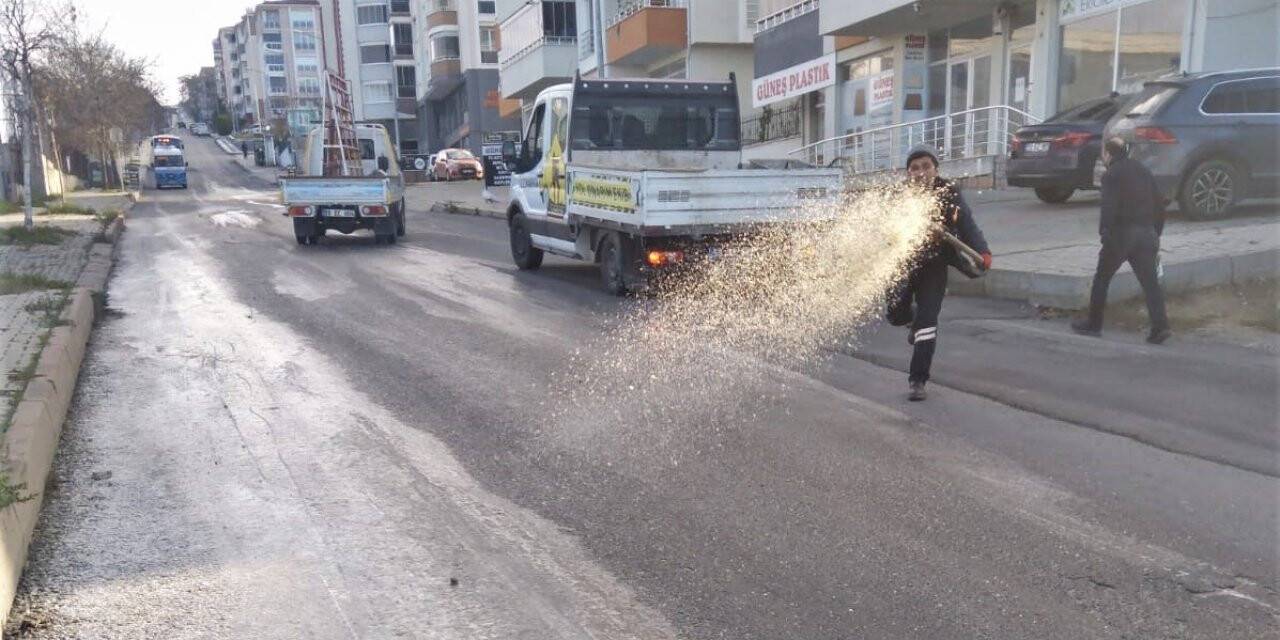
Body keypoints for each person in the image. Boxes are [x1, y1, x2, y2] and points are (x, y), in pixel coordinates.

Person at [887, 147, 992, 402]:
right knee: (895, 314)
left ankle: (918, 380)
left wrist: (983, 251)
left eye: (926, 166)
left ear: (935, 169)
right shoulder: (898, 196)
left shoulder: (949, 192)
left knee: (928, 321)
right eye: (915, 168)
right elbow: (888, 230)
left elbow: (967, 224)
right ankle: (910, 319)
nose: (920, 172)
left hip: (934, 264)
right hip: (902, 262)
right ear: (908, 173)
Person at [1071, 137, 1171, 344]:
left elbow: (1109, 206)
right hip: (1146, 233)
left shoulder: (1111, 175)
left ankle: (1093, 324)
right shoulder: (1143, 170)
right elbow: (1159, 203)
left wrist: (1104, 232)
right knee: (1150, 283)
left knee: (1102, 279)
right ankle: (1160, 327)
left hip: (1121, 235)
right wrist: (1156, 232)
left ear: (1108, 154)